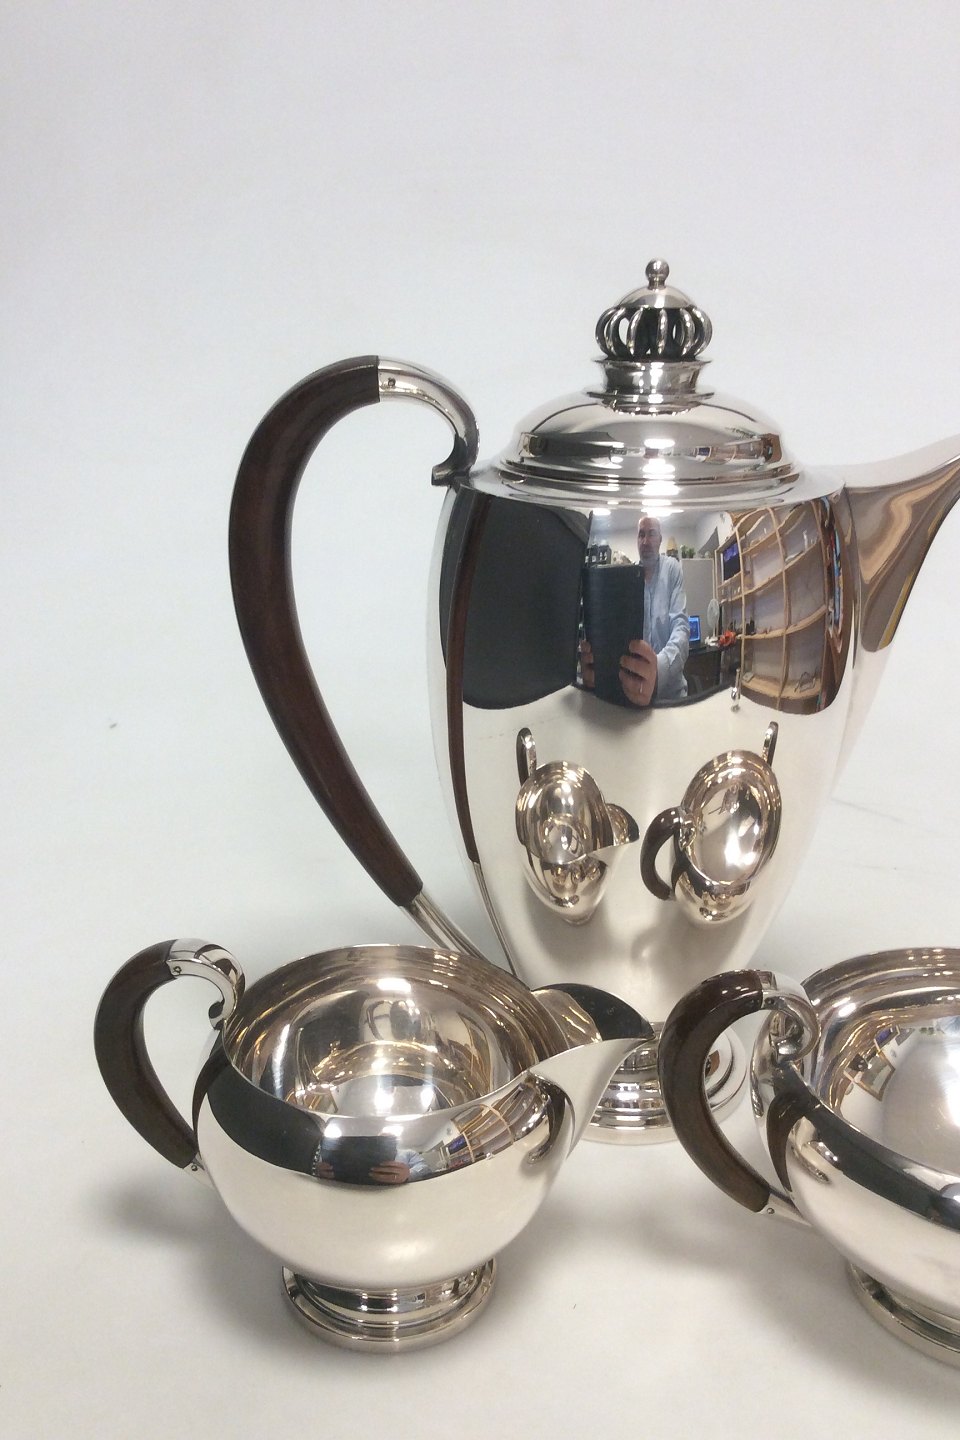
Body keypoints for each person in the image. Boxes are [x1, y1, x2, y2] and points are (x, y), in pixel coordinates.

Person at [581, 516, 689, 707]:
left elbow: (681, 628)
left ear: (660, 539)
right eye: (641, 535)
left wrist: (657, 671)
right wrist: (597, 664)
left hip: (671, 695)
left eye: (651, 534)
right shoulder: (626, 579)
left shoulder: (672, 569)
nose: (645, 541)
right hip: (632, 692)